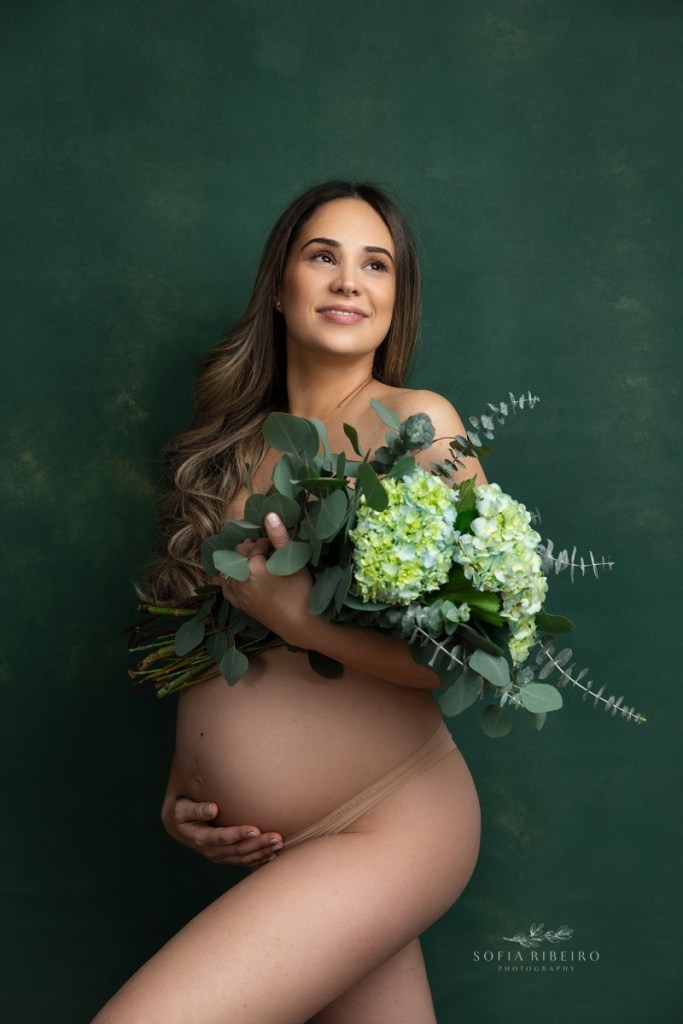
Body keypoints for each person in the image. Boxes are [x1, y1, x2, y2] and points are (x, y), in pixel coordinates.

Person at [93, 181, 484, 1024]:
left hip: (390, 821)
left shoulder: (417, 429)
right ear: (279, 286)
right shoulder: (230, 454)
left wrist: (295, 615)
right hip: (285, 845)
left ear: (393, 299)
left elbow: (460, 660)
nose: (349, 280)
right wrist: (180, 790)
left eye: (374, 264)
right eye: (323, 256)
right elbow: (213, 646)